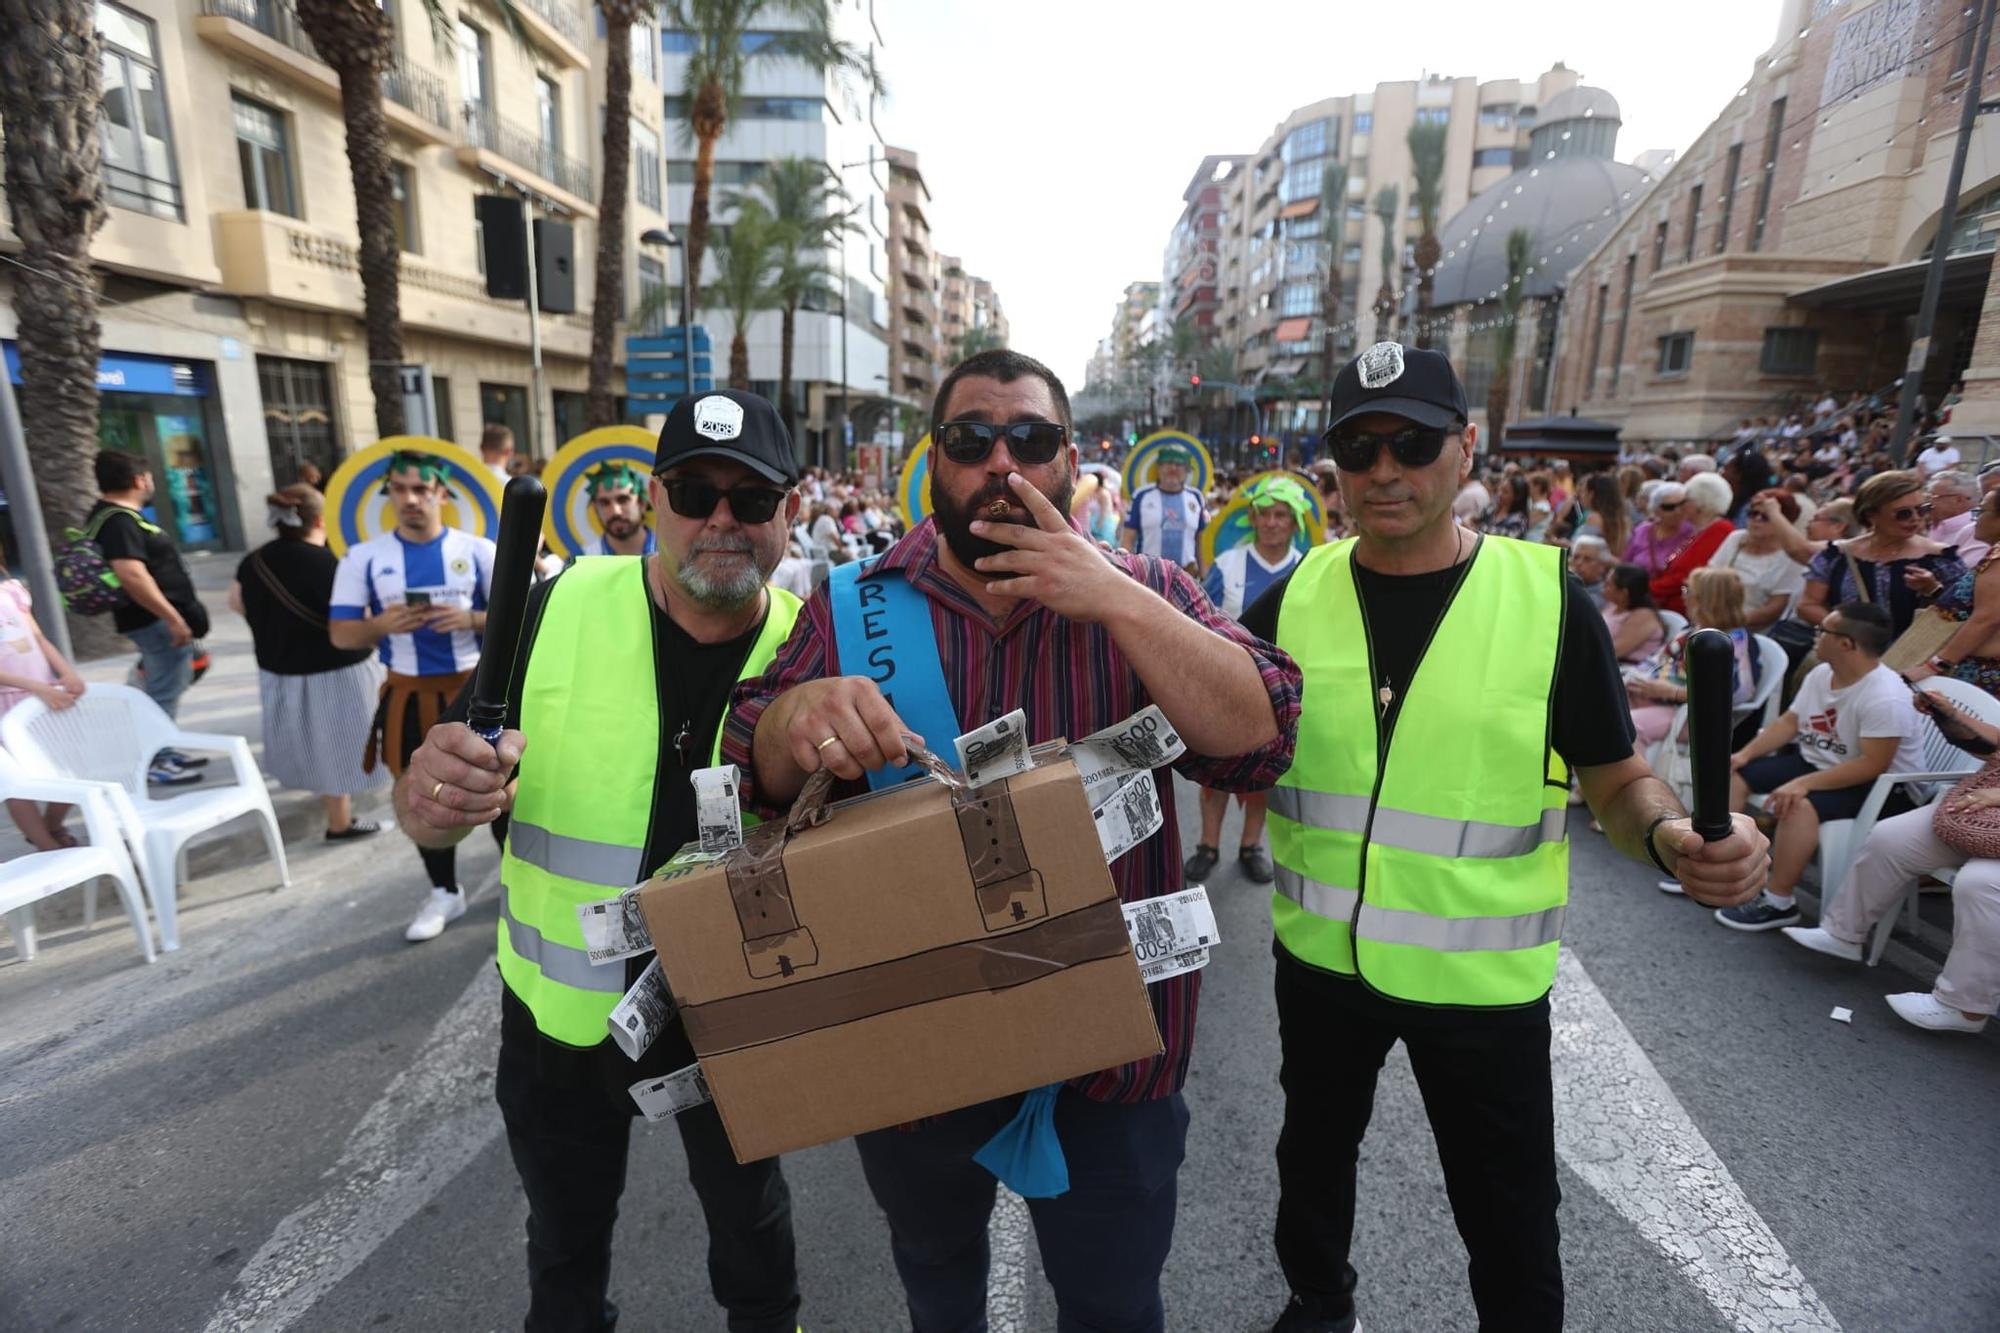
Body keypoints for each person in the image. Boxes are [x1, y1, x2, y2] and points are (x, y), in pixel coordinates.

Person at [726, 349, 1301, 1333]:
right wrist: (792, 723)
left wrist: (1117, 598)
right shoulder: (851, 601)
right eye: (969, 438)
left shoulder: (1150, 586)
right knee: (938, 1289)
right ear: (933, 460)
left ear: (1068, 462)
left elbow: (1260, 737)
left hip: (1113, 1057)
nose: (1000, 461)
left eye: (1028, 438)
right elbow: (750, 765)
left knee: (1113, 1307)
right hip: (912, 1044)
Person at [1241, 343, 1768, 1333]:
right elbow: (1208, 729)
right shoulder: (1287, 597)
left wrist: (1671, 841)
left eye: (1412, 440)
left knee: (1510, 1213)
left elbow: (1616, 782)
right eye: (1358, 446)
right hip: (1317, 964)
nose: (1384, 468)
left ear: (1463, 446)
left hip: (1480, 987)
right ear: (1333, 464)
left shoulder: (1545, 603)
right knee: (1309, 1159)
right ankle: (1316, 1303)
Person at [397, 389, 808, 1333]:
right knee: (565, 1248)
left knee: (754, 1235)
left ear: (792, 510)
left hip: (734, 1016)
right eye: (694, 490)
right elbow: (431, 805)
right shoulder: (551, 607)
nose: (720, 520)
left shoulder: (813, 646)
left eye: (750, 499)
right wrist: (426, 800)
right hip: (559, 1018)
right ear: (650, 500)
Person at [328, 451, 497, 942]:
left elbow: (529, 612)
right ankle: (445, 890)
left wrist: (471, 620)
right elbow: (341, 635)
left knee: (505, 790)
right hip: (406, 694)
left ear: (442, 494)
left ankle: (515, 877)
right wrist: (379, 625)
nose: (410, 499)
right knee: (424, 796)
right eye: (399, 489)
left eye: (421, 490)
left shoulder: (479, 549)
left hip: (479, 690)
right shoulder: (363, 557)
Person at [1783, 689, 1996, 1033]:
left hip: (1992, 805)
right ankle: (1843, 935)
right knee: (1890, 837)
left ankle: (1965, 1007)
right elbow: (1991, 744)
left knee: (1980, 884)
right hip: (1984, 813)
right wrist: (1948, 715)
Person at [1716, 603, 1925, 931]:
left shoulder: (1886, 695)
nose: (1815, 635)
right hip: (1821, 762)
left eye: (1823, 630)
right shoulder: (1822, 673)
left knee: (1800, 805)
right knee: (1736, 774)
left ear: (1846, 644)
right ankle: (1723, 869)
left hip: (1885, 787)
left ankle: (1779, 901)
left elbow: (1873, 764)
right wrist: (1744, 755)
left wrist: (1804, 784)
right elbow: (1789, 723)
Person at [229, 485, 387, 841]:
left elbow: (236, 603)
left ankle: (335, 813)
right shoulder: (328, 564)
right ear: (320, 518)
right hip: (336, 671)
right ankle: (340, 822)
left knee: (310, 744)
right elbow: (357, 617)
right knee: (339, 746)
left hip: (279, 668)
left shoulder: (253, 561)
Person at [1188, 475, 1311, 886]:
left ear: (1294, 523)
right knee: (1214, 773)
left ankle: (1250, 846)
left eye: (1281, 515)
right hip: (1226, 688)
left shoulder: (1311, 569)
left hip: (1285, 697)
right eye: (1265, 515)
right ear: (1252, 519)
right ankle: (1207, 845)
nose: (1272, 523)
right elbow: (1200, 619)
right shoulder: (1228, 565)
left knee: (1264, 778)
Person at [88, 449, 210, 784]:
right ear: (139, 480)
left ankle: (163, 748)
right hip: (152, 622)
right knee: (163, 689)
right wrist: (172, 618)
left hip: (150, 621)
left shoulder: (114, 518)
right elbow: (132, 575)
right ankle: (153, 760)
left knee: (168, 681)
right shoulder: (119, 522)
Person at [1795, 470, 1964, 641]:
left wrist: (1933, 589)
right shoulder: (1836, 555)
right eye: (1903, 513)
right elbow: (1808, 606)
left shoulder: (1941, 558)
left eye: (1922, 510)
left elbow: (1963, 612)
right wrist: (1848, 632)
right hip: (1847, 654)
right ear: (1871, 514)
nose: (1915, 518)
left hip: (1909, 660)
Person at [0, 554, 87, 850]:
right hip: (8, 700)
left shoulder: (11, 590)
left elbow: (38, 638)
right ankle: (46, 845)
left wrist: (66, 672)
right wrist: (36, 687)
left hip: (42, 695)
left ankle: (53, 824)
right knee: (15, 781)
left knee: (71, 761)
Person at [1624, 566, 1760, 751]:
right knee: (1604, 702)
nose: (1684, 597)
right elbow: (1656, 661)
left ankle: (1632, 779)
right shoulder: (1691, 631)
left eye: (1688, 591)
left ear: (1707, 601)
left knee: (1630, 726)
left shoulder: (1733, 644)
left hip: (1694, 715)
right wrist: (1635, 681)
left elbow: (1735, 694)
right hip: (1658, 699)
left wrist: (1672, 692)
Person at [1907, 489, 2000, 693]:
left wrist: (1936, 664)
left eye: (1981, 511)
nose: (1975, 520)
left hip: (1981, 673)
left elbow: (1988, 617)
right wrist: (1936, 591)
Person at [1707, 488, 1807, 632]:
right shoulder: (1736, 538)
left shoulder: (1792, 556)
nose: (1757, 520)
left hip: (1751, 631)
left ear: (1784, 521)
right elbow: (1708, 578)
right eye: (1753, 514)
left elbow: (1774, 609)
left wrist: (1729, 623)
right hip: (1711, 618)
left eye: (1765, 517)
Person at [1647, 471, 1735, 615]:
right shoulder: (1701, 530)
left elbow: (1687, 574)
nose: (1681, 508)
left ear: (1700, 504)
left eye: (1685, 501)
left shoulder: (1720, 530)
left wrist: (1646, 590)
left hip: (1687, 612)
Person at [1122, 443, 1208, 573]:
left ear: (1187, 470)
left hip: (1187, 578)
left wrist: (1204, 573)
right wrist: (1125, 571)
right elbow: (1128, 539)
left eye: (1179, 465)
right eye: (1167, 463)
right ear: (1159, 467)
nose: (1173, 469)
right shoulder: (1141, 496)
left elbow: (1201, 539)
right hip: (1148, 578)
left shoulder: (1196, 498)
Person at [580, 463, 655, 557]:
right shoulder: (582, 561)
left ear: (642, 504)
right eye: (604, 503)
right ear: (596, 509)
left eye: (623, 500)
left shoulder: (673, 552)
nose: (615, 511)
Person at [1623, 481, 1695, 579]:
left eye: (1681, 505)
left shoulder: (1693, 533)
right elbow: (1625, 564)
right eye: (1669, 507)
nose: (1677, 511)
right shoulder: (1642, 531)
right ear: (1656, 510)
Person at [1601, 563, 1666, 663]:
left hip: (1629, 670)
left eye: (1608, 584)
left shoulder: (1643, 616)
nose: (1603, 586)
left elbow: (1614, 651)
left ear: (1623, 593)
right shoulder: (1612, 607)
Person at [1926, 470, 1987, 566]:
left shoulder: (1978, 528)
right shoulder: (1935, 523)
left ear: (1959, 499)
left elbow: (1965, 571)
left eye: (1934, 497)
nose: (1928, 503)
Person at [1567, 534, 1613, 608]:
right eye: (1576, 557)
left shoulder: (1604, 596)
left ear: (1602, 566)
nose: (1579, 563)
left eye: (1587, 559)